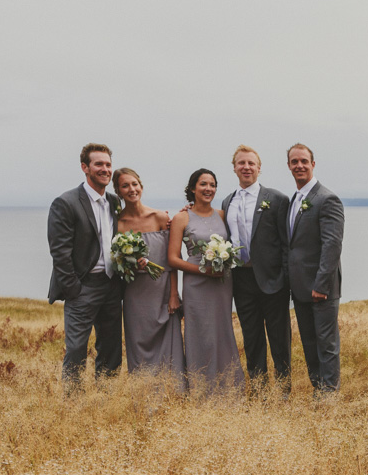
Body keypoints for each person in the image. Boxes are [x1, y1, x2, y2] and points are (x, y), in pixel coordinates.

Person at [46, 143, 123, 389]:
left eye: (108, 164)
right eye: (98, 164)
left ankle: (105, 396)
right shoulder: (66, 202)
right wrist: (74, 289)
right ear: (85, 167)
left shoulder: (114, 202)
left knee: (110, 347)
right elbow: (59, 252)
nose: (105, 169)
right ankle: (73, 402)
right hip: (83, 287)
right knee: (77, 348)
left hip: (111, 286)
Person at [220, 146, 292, 391]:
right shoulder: (227, 201)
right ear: (234, 168)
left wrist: (284, 278)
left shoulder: (277, 199)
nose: (246, 167)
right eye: (241, 163)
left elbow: (286, 243)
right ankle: (259, 390)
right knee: (252, 338)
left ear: (259, 168)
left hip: (273, 280)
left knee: (279, 338)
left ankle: (283, 390)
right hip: (241, 279)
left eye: (251, 163)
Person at [167, 168, 244, 395]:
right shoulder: (182, 217)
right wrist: (203, 272)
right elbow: (172, 258)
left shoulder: (222, 215)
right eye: (203, 184)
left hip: (222, 283)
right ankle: (202, 388)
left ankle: (228, 387)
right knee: (199, 332)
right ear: (192, 188)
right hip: (196, 284)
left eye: (212, 185)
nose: (208, 189)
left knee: (222, 330)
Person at [282, 144, 345, 394]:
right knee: (309, 343)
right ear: (288, 166)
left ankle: (329, 396)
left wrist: (321, 285)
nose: (299, 166)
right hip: (299, 289)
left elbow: (332, 245)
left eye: (304, 161)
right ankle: (318, 390)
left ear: (313, 164)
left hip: (322, 289)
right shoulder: (295, 199)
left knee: (326, 345)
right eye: (294, 162)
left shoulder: (326, 199)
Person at [112, 167, 183, 385]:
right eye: (125, 186)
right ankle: (142, 391)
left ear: (141, 187)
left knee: (169, 343)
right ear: (118, 191)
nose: (131, 189)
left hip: (162, 291)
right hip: (135, 294)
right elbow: (116, 263)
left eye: (134, 184)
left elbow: (173, 260)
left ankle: (173, 391)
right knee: (138, 343)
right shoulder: (118, 224)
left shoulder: (160, 217)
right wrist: (130, 265)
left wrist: (174, 294)